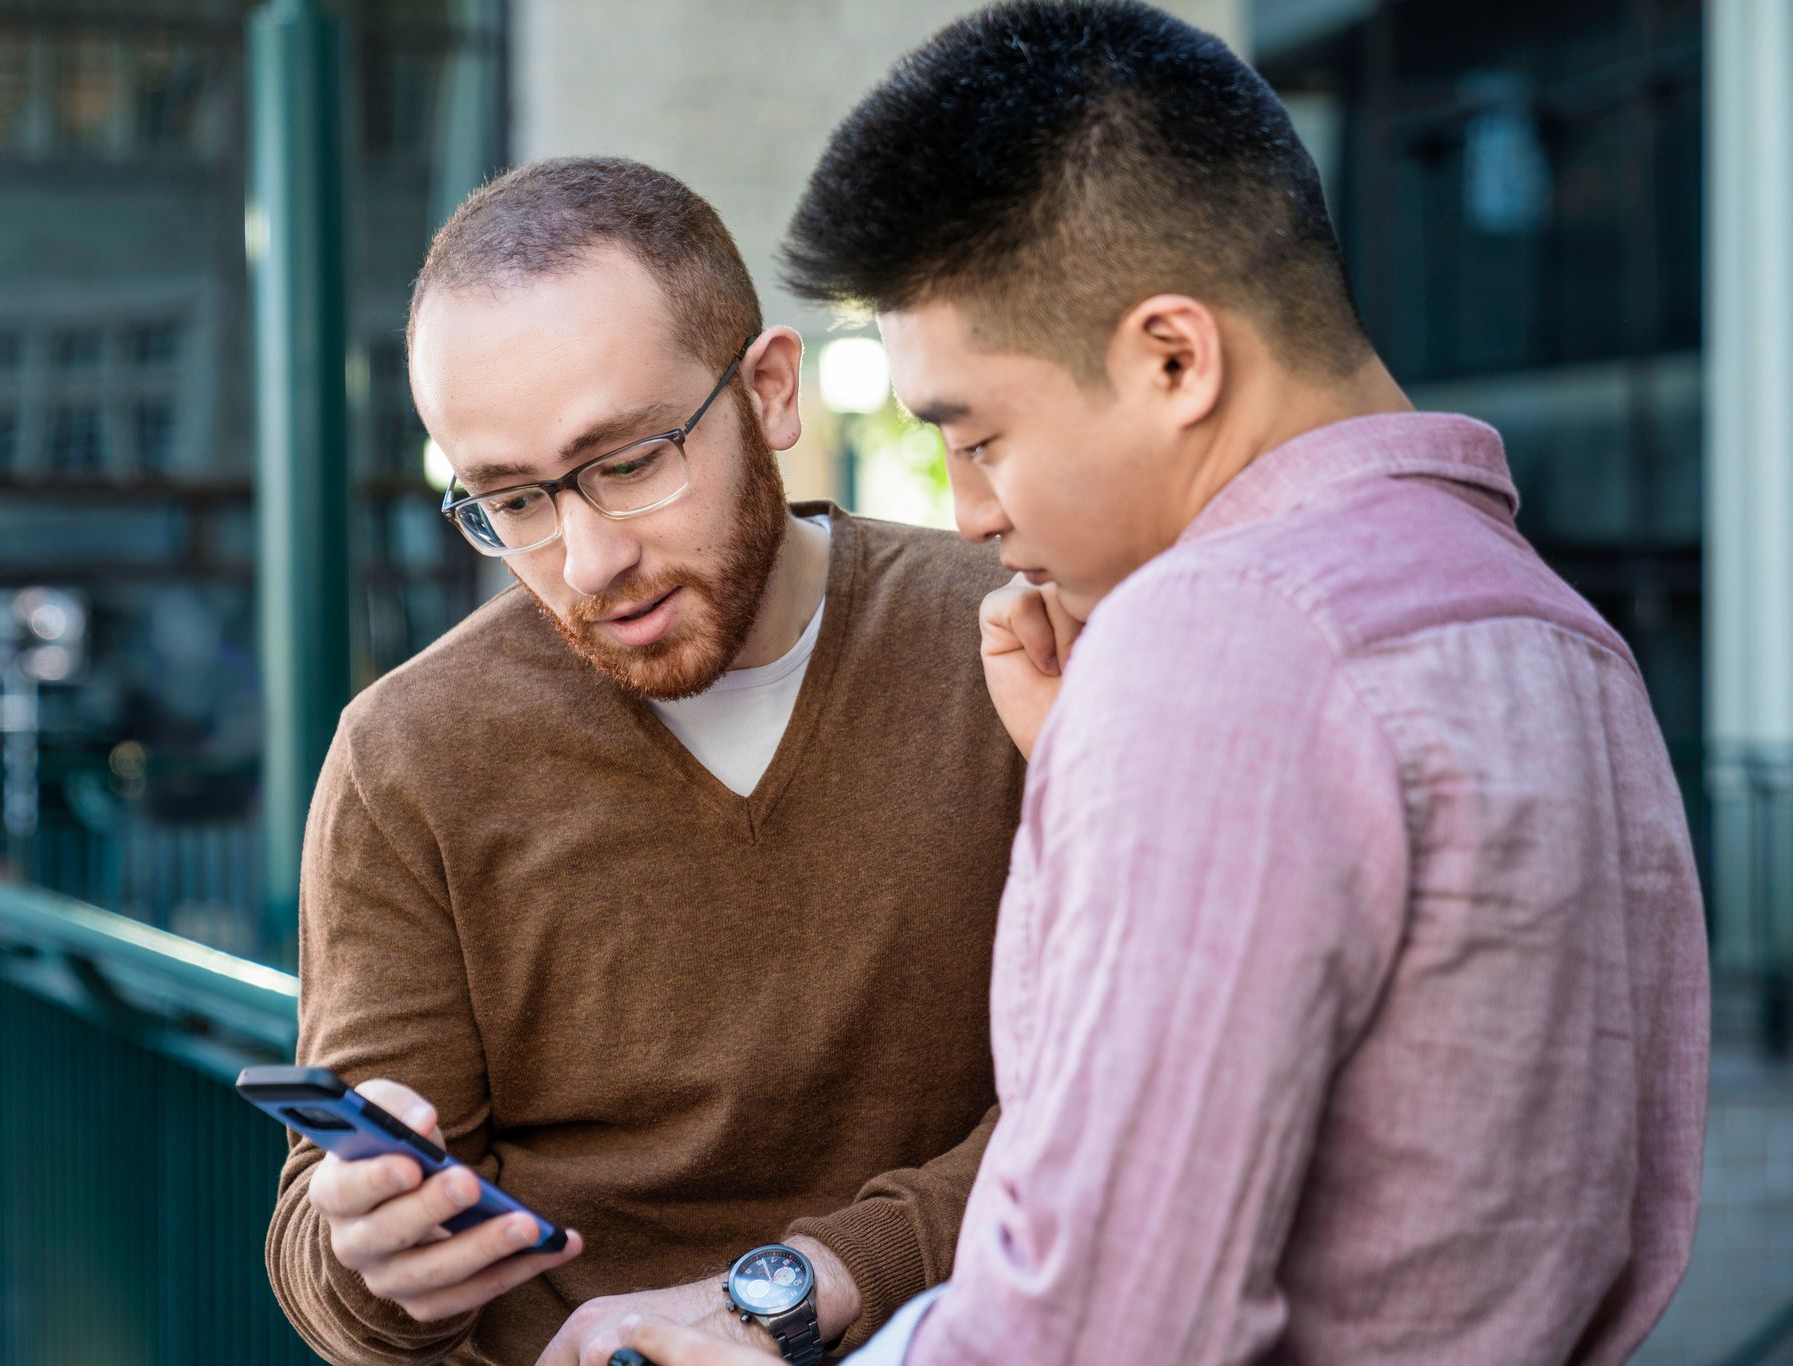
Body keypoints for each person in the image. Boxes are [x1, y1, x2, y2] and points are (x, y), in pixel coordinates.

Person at [615, 4, 1710, 1364]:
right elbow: (1634, 1202)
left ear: (1175, 359)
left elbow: (1108, 1326)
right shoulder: (1566, 640)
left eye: (979, 433)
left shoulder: (1220, 650)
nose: (966, 511)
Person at [263, 157, 1025, 1366]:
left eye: (626, 462)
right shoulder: (409, 752)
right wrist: (375, 1258)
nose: (584, 560)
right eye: (508, 500)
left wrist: (808, 1283)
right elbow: (327, 1261)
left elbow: (1133, 1100)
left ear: (770, 392)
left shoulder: (1015, 640)